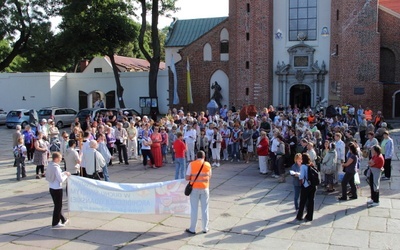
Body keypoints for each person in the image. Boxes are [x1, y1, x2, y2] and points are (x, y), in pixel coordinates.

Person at [185, 150, 212, 234]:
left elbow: (187, 177)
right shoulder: (208, 165)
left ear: (196, 156)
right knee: (205, 209)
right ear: (204, 157)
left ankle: (192, 229)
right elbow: (209, 176)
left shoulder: (192, 164)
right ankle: (205, 228)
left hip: (195, 189)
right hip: (205, 188)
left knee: (194, 209)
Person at [46, 152, 71, 228]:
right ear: (56, 158)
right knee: (58, 206)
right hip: (57, 188)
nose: (61, 159)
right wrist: (66, 176)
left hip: (51, 187)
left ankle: (63, 219)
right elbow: (60, 179)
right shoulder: (56, 167)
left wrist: (64, 173)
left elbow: (57, 175)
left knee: (58, 205)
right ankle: (55, 222)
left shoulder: (50, 165)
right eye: (60, 158)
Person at [296, 153, 316, 222]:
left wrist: (297, 174)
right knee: (311, 201)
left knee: (302, 201)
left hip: (306, 185)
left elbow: (301, 177)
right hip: (313, 185)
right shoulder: (311, 165)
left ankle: (299, 216)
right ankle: (309, 216)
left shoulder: (303, 166)